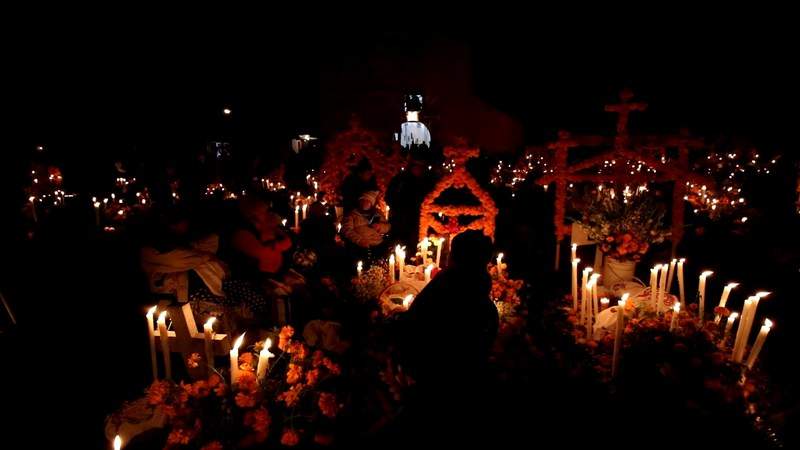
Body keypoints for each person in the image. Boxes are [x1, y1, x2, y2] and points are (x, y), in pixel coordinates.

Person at [397, 230, 498, 443]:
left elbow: (416, 327)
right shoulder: (480, 294)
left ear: (454, 258)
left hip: (435, 381)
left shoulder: (445, 287)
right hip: (467, 384)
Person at [140, 206, 268, 328]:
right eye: (177, 225)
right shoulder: (152, 253)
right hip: (188, 298)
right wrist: (204, 257)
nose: (182, 228)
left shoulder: (192, 244)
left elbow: (209, 247)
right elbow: (181, 260)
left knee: (252, 298)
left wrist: (203, 257)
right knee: (221, 312)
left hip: (211, 288)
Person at [229, 197, 310, 326]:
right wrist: (274, 240)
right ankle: (280, 328)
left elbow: (289, 242)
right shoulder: (242, 233)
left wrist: (275, 241)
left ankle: (300, 324)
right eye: (265, 212)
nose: (269, 214)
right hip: (254, 277)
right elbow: (263, 254)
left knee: (302, 283)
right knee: (282, 293)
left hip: (276, 271)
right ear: (253, 215)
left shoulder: (268, 228)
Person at [385, 159, 433, 249]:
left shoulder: (425, 181)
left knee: (414, 240)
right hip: (400, 215)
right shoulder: (400, 180)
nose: (418, 170)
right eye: (416, 166)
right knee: (399, 239)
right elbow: (390, 195)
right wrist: (396, 207)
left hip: (417, 216)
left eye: (420, 167)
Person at [340, 191, 390, 260]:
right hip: (362, 247)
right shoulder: (352, 215)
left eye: (367, 201)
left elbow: (388, 226)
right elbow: (346, 230)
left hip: (378, 244)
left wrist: (380, 226)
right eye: (362, 200)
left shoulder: (377, 213)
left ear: (371, 203)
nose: (364, 203)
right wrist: (360, 240)